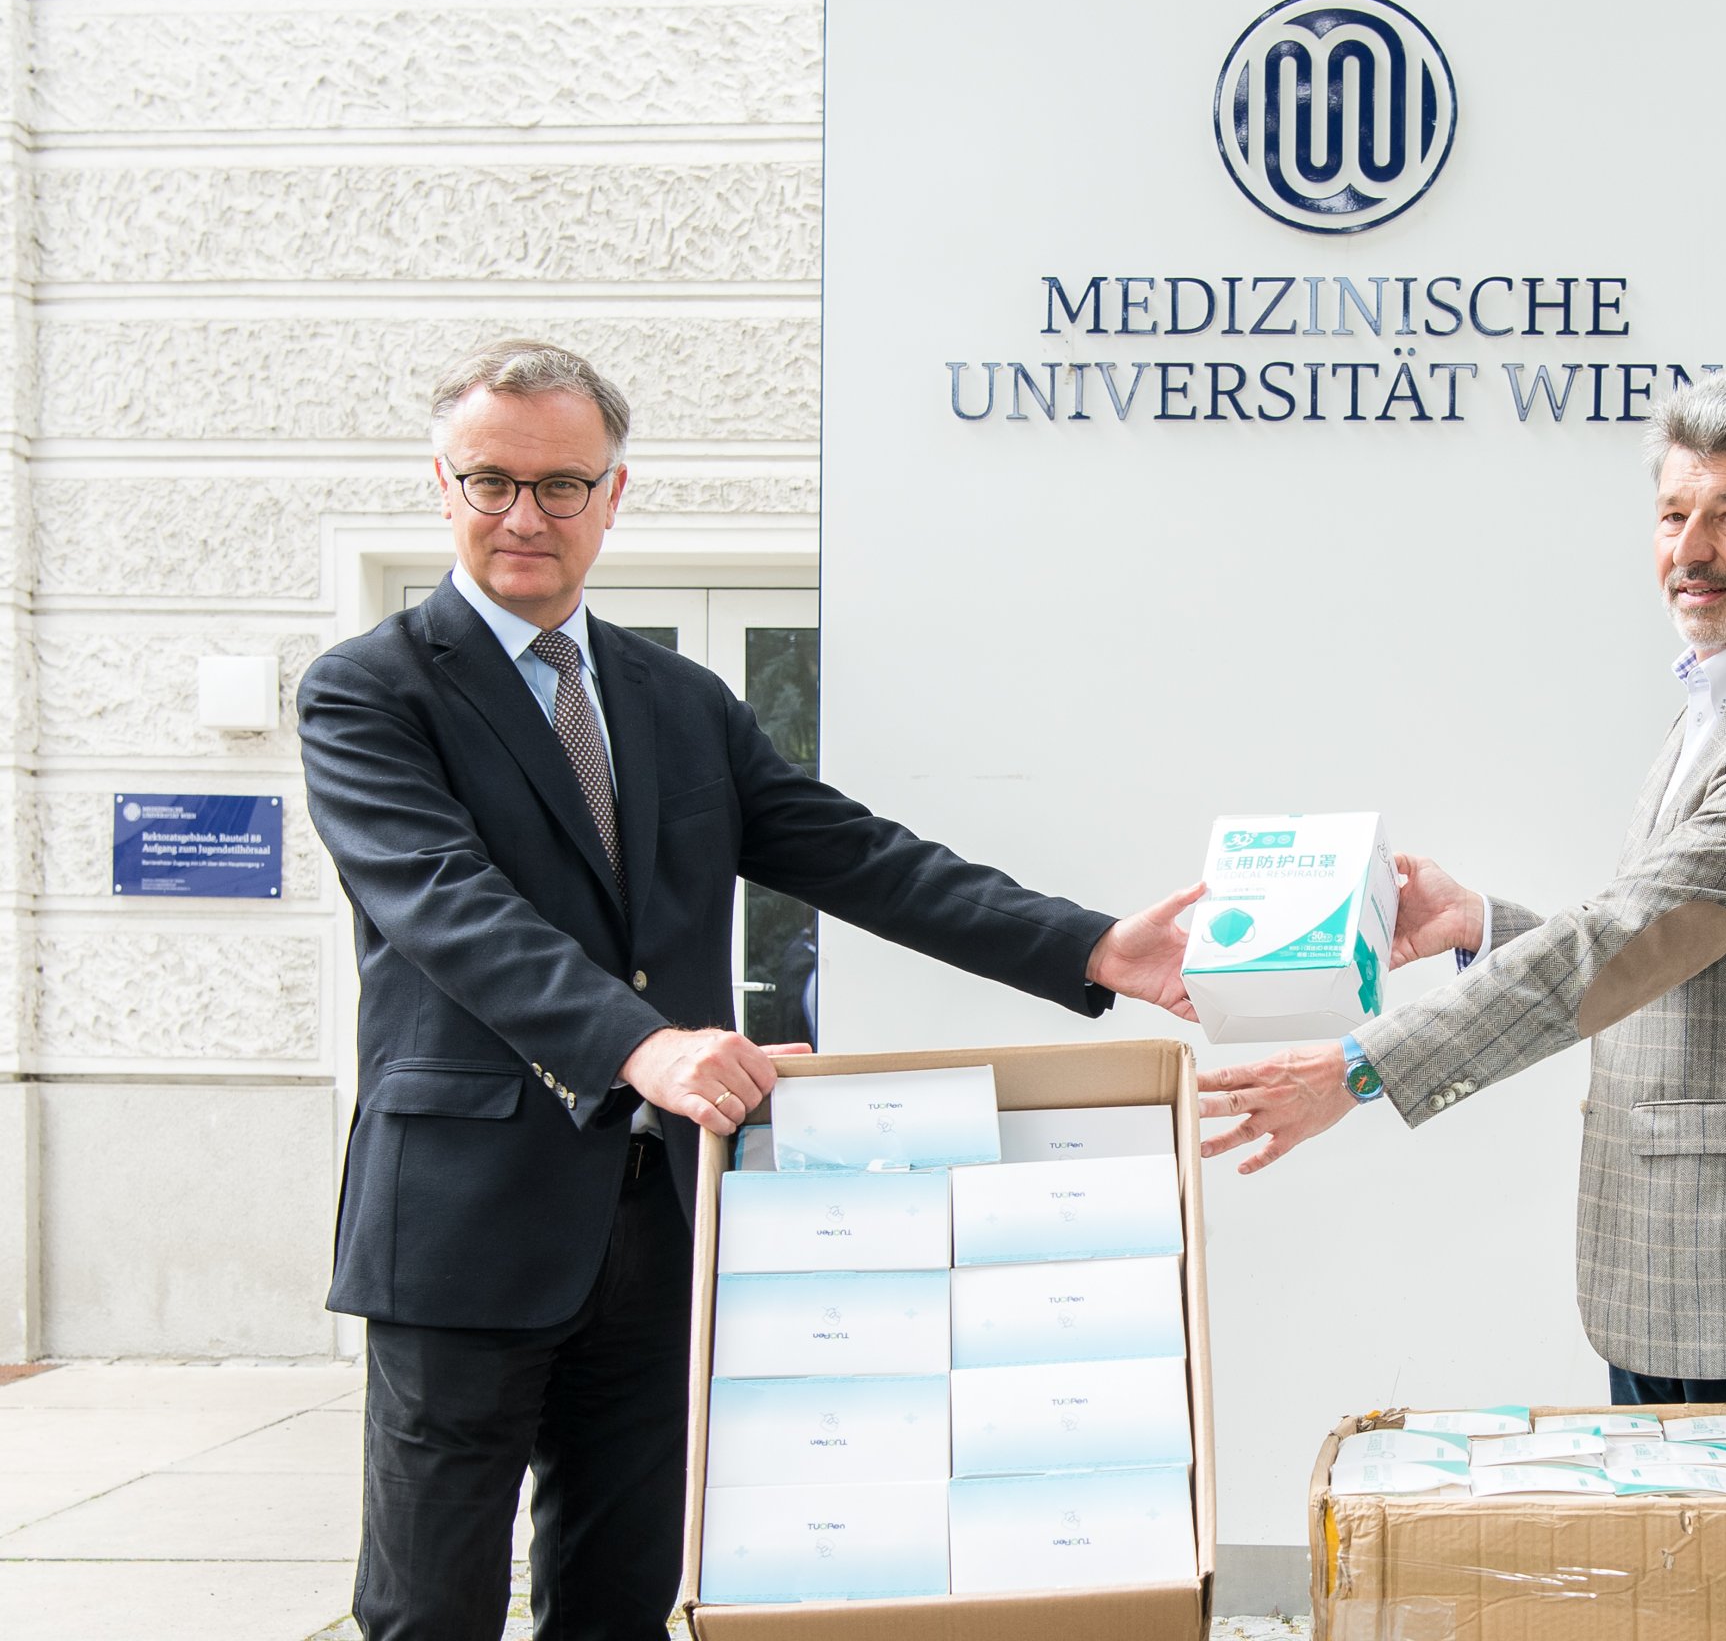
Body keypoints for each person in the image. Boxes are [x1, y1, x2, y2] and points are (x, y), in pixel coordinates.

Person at [298, 339, 1198, 1641]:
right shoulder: (370, 690)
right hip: (465, 1220)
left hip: (668, 1214)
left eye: (561, 485)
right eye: (492, 480)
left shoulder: (677, 700)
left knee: (622, 1597)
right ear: (443, 485)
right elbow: (447, 905)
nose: (524, 515)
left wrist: (1092, 946)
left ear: (613, 496)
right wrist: (643, 1043)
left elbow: (855, 854)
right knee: (430, 1607)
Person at [1199, 368, 1726, 1408]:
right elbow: (1679, 949)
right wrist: (1479, 922)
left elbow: (1632, 937)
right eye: (1674, 515)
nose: (1690, 551)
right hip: (1692, 1263)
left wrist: (1361, 1068)